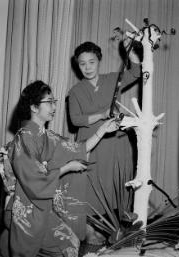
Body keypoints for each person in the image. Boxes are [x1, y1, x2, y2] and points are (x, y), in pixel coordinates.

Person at [0, 80, 119, 257]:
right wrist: (66, 168)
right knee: (65, 245)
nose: (54, 106)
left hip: (42, 206)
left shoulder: (49, 137)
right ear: (33, 107)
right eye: (49, 102)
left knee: (71, 242)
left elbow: (78, 148)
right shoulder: (24, 138)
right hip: (26, 208)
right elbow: (34, 180)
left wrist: (103, 130)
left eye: (55, 101)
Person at [68, 41, 141, 221]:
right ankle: (92, 226)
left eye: (91, 62)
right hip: (93, 142)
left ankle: (119, 223)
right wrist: (101, 115)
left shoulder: (111, 79)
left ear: (99, 61)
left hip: (116, 141)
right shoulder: (75, 91)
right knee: (92, 185)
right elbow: (76, 120)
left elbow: (136, 72)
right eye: (82, 63)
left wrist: (130, 52)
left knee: (117, 182)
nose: (87, 67)